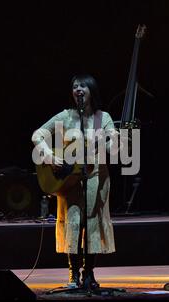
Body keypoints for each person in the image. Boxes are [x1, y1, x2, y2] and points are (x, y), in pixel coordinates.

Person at [31, 74, 119, 289]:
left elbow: (112, 148)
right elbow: (37, 135)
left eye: (82, 85)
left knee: (91, 225)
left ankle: (89, 273)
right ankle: (72, 275)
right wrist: (49, 156)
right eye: (75, 86)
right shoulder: (66, 116)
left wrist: (116, 141)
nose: (78, 89)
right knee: (73, 223)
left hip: (95, 177)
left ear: (91, 90)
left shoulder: (103, 117)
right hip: (69, 179)